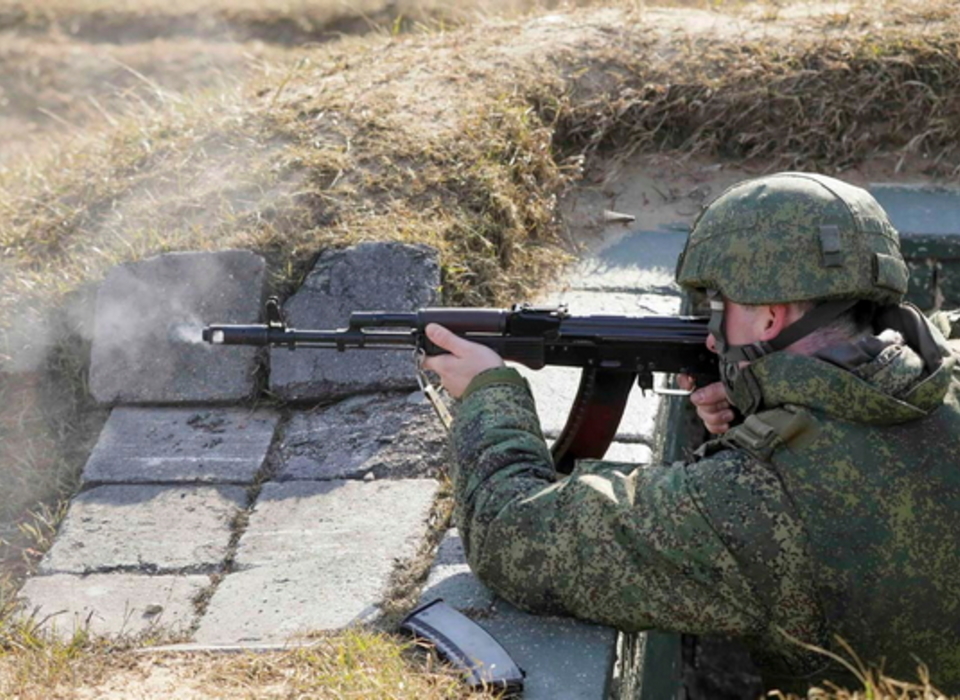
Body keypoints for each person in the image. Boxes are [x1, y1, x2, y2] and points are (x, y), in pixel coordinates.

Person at [421, 172, 960, 694]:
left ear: (770, 320)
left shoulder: (750, 502)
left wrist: (489, 392)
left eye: (717, 306)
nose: (709, 334)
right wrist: (765, 407)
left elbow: (509, 534)